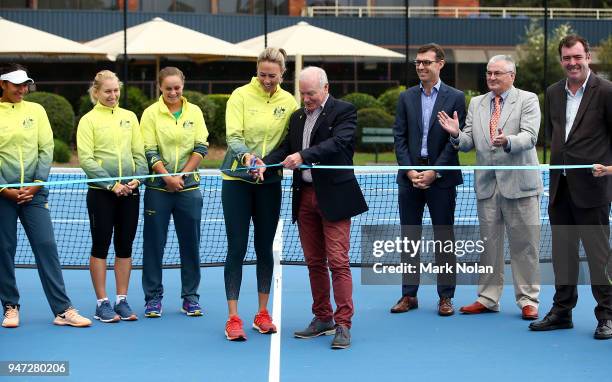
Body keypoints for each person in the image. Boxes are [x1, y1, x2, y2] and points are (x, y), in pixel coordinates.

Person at [262, 66, 368, 349]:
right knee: (314, 263)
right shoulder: (297, 117)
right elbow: (285, 148)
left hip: (334, 196)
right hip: (305, 196)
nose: (306, 98)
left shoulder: (344, 111)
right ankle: (323, 317)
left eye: (310, 93)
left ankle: (343, 324)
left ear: (325, 88)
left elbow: (339, 143)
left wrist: (303, 155)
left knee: (338, 262)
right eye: (302, 93)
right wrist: (264, 161)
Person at [438, 55, 542, 320]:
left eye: (498, 73)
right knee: (489, 246)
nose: (492, 78)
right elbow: (469, 141)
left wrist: (508, 141)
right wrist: (455, 134)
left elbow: (530, 137)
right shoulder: (477, 103)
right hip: (487, 187)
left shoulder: (528, 99)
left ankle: (528, 299)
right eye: (489, 73)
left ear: (512, 76)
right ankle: (487, 297)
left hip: (521, 186)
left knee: (525, 246)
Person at [529, 35, 612, 339]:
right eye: (567, 58)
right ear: (561, 60)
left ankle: (607, 315)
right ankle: (562, 312)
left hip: (593, 191)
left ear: (588, 56)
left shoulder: (606, 91)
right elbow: (557, 137)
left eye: (577, 57)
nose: (572, 63)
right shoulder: (552, 92)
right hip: (560, 189)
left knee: (599, 257)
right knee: (563, 255)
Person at [0, 64, 91, 328]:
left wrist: (36, 184)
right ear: (3, 84)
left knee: (46, 247)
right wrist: (5, 188)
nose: (22, 89)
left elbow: (45, 148)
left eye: (24, 84)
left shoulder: (36, 111)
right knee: (4, 250)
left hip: (35, 194)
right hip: (2, 194)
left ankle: (63, 310)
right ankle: (10, 306)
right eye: (16, 84)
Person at [221, 47, 298, 341]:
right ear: (257, 71)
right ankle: (233, 317)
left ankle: (262, 313)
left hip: (270, 183)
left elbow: (288, 140)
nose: (267, 80)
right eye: (263, 74)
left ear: (282, 74)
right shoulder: (240, 96)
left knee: (265, 248)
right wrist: (249, 160)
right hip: (237, 181)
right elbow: (234, 138)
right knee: (236, 248)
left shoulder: (288, 101)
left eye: (273, 75)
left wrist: (267, 164)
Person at [390, 43, 466, 316]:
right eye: (418, 62)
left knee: (444, 239)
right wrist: (410, 170)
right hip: (409, 177)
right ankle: (408, 295)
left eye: (427, 62)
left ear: (440, 64)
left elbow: (454, 140)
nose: (421, 66)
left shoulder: (456, 97)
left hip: (441, 178)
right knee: (410, 238)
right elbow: (399, 136)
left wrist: (435, 171)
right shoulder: (406, 97)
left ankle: (446, 297)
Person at [77, 70, 148, 323]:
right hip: (101, 194)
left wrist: (136, 179)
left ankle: (121, 300)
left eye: (116, 90)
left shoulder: (130, 117)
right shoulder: (88, 121)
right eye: (107, 91)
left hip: (131, 192)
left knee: (125, 246)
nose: (113, 95)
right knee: (100, 246)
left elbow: (139, 154)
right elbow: (86, 159)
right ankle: (102, 303)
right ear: (96, 92)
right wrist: (112, 185)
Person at [140, 67, 209, 318]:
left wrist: (181, 177)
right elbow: (148, 150)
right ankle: (153, 298)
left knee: (190, 244)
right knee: (153, 244)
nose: (173, 92)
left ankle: (190, 297)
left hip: (188, 189)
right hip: (158, 189)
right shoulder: (150, 114)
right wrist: (166, 177)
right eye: (168, 87)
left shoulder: (195, 112)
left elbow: (201, 146)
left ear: (183, 85)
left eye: (176, 87)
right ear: (160, 87)